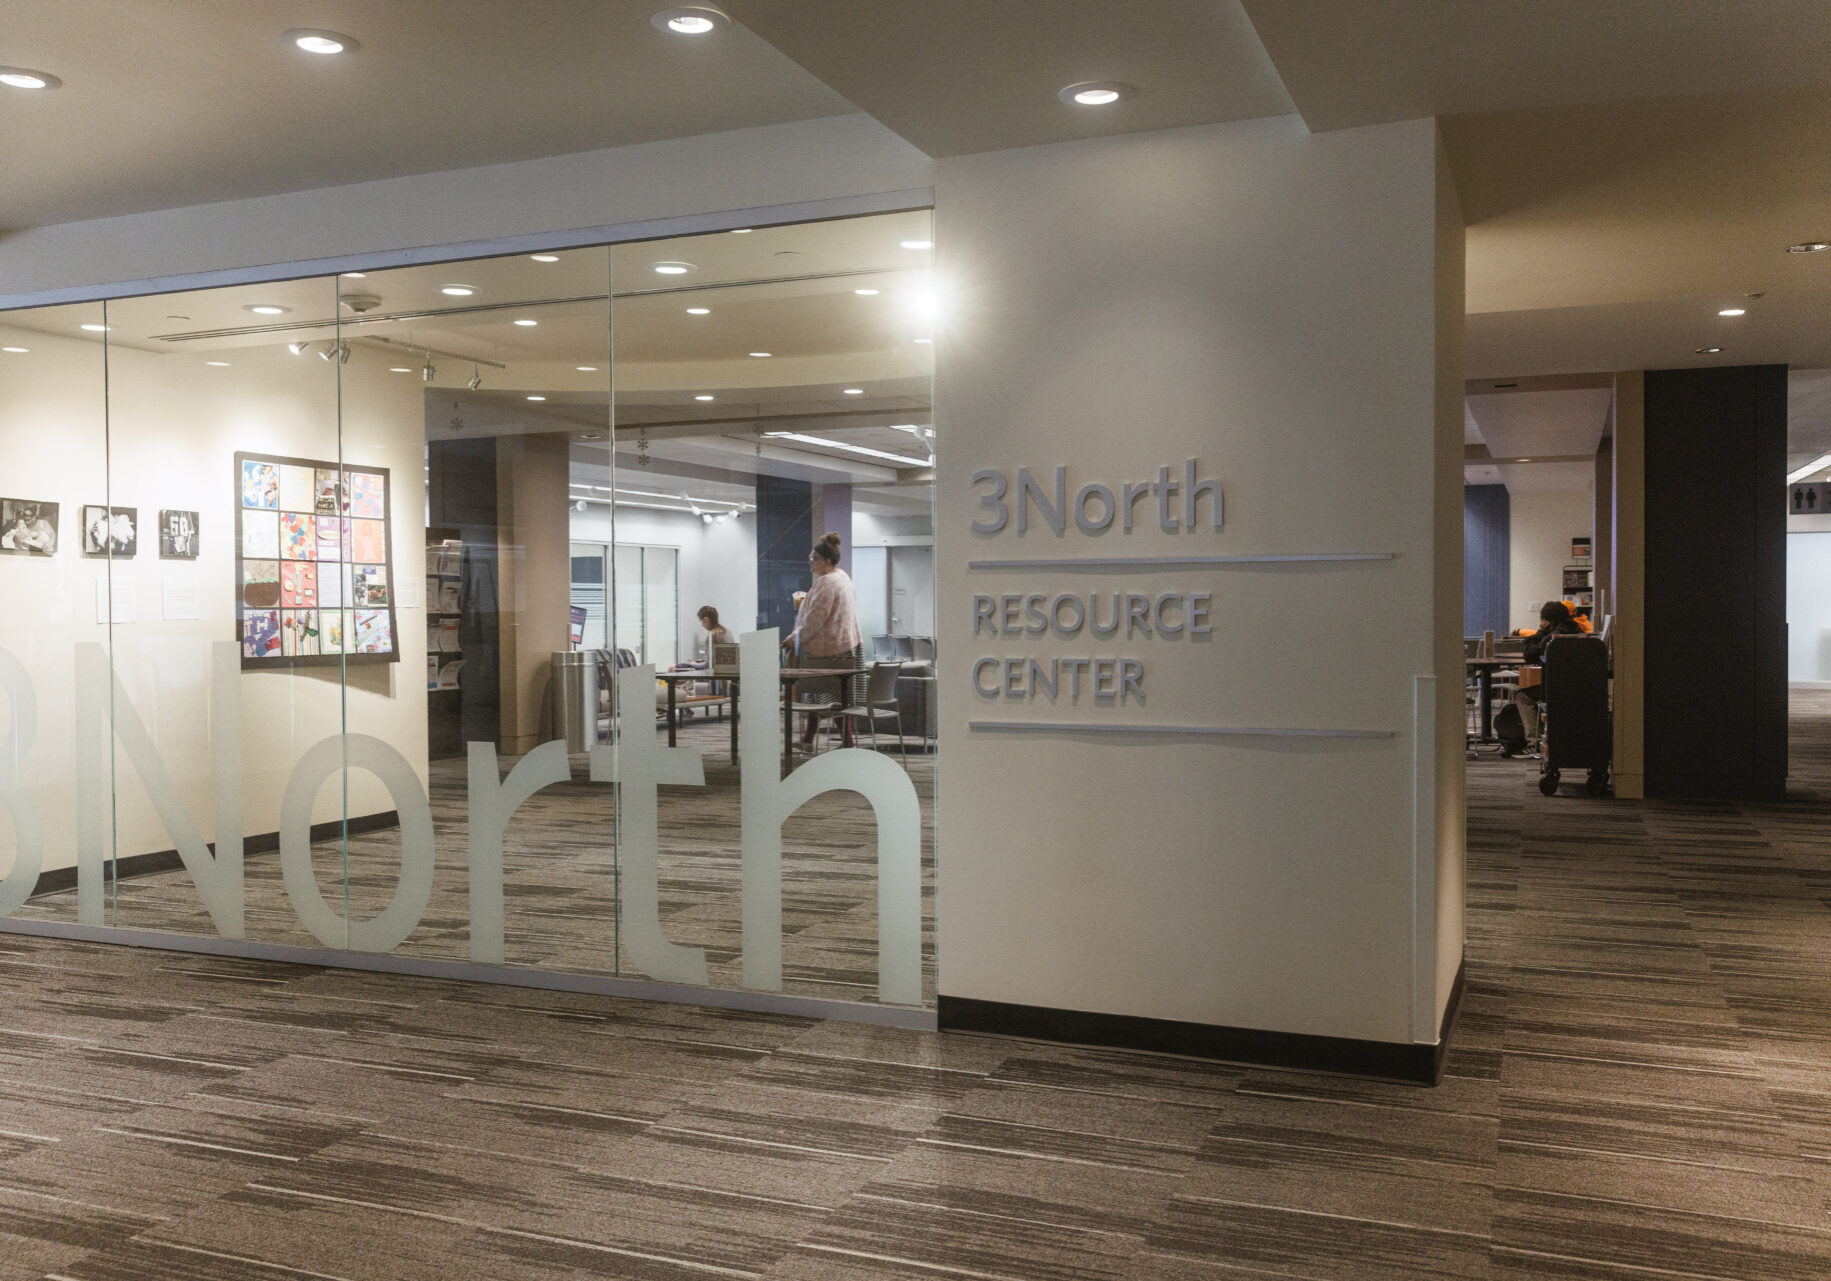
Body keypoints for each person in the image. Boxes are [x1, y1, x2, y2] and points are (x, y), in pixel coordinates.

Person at [783, 532, 863, 746]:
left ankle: (844, 740)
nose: (811, 563)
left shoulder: (826, 582)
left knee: (826, 695)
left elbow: (816, 619)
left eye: (815, 558)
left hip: (829, 648)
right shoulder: (842, 576)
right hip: (844, 644)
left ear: (828, 560)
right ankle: (812, 737)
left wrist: (795, 638)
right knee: (831, 695)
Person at [1505, 600, 1584, 756]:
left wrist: (1539, 633)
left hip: (1556, 689)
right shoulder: (1574, 629)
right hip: (1573, 686)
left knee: (1522, 696)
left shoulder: (1554, 637)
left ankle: (1533, 742)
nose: (1540, 623)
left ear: (1550, 621)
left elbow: (1530, 654)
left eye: (1542, 620)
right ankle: (1541, 738)